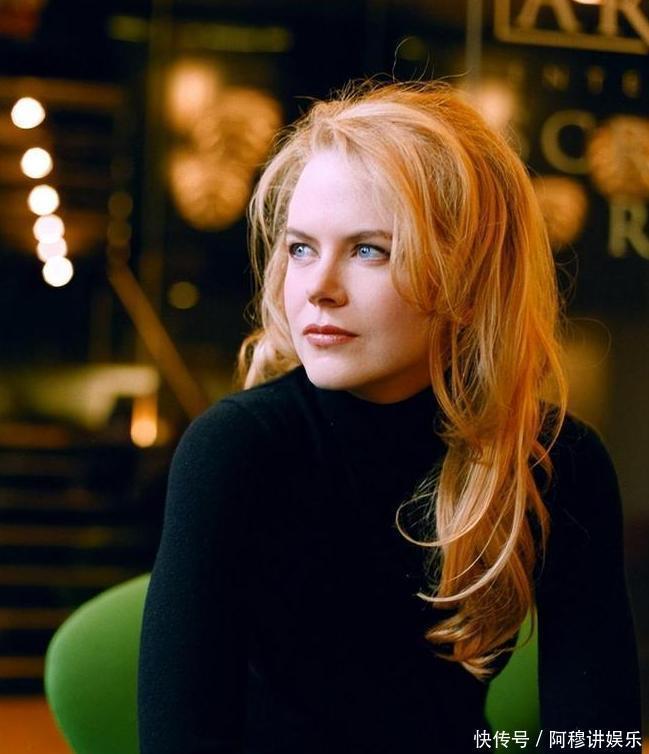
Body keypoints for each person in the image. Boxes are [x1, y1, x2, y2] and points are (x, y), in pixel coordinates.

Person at [137, 81, 642, 754]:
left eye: (369, 249)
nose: (318, 287)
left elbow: (598, 732)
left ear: (468, 280)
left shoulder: (557, 458)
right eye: (301, 247)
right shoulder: (235, 447)